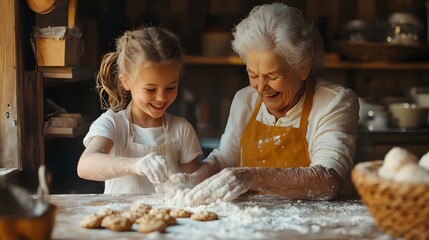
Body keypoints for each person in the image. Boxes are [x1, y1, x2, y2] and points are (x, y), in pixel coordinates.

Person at [165, 3, 359, 205]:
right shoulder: (245, 100)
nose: (261, 87)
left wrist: (250, 176)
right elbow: (224, 160)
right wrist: (193, 179)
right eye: (253, 75)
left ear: (303, 67)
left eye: (272, 76)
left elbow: (327, 180)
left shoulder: (334, 101)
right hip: (249, 220)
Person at [77, 26, 202, 194]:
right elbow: (85, 165)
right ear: (126, 82)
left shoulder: (182, 130)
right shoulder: (113, 124)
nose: (161, 97)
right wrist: (136, 165)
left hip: (170, 219)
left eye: (171, 87)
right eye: (151, 89)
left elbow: (192, 185)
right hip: (121, 216)